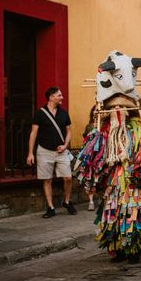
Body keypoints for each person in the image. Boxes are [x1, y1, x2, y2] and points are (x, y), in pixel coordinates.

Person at [26, 86, 77, 218]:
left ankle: (66, 201)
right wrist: (30, 153)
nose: (62, 97)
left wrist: (65, 145)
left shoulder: (64, 113)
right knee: (47, 180)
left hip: (61, 151)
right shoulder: (39, 113)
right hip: (44, 151)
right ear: (51, 97)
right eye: (59, 95)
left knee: (68, 177)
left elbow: (69, 131)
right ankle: (50, 207)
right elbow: (33, 133)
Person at [82, 105, 97, 211]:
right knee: (90, 177)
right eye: (95, 111)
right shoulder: (90, 126)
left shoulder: (106, 124)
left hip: (103, 155)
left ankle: (103, 198)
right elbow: (86, 139)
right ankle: (91, 201)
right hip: (91, 155)